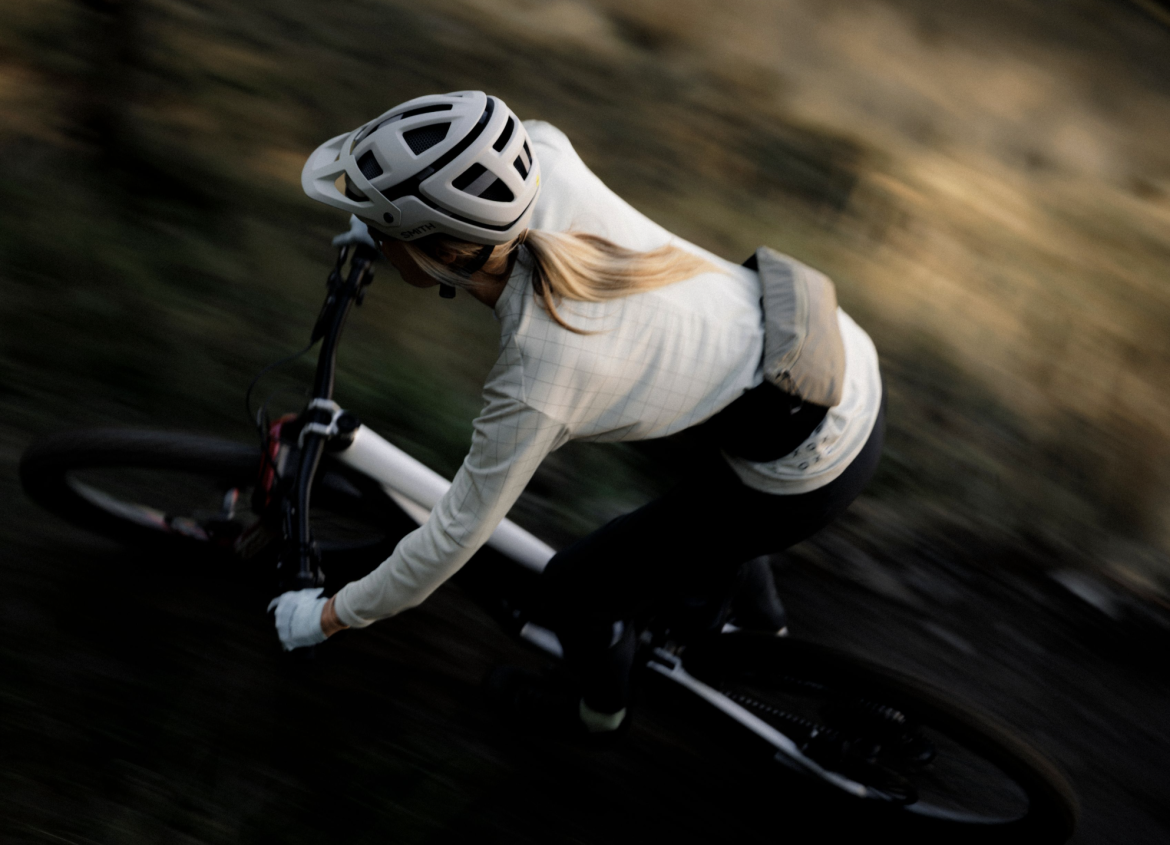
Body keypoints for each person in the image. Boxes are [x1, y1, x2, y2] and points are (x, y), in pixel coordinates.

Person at [271, 90, 884, 738]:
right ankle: (757, 622)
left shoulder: (541, 375)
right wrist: (382, 225)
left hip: (814, 455)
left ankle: (595, 714)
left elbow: (450, 539)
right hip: (823, 343)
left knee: (574, 589)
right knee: (698, 513)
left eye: (388, 225)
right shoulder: (539, 154)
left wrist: (328, 615)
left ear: (440, 251)